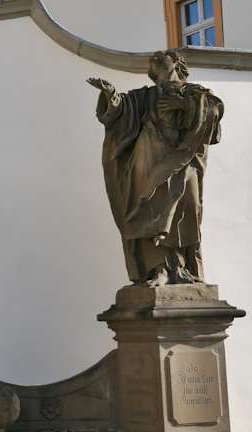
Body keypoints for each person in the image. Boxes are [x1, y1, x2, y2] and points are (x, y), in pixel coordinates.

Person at [88, 51, 224, 286]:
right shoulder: (145, 95)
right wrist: (111, 96)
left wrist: (184, 104)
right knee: (150, 208)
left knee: (186, 207)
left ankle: (181, 268)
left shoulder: (195, 92)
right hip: (148, 156)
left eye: (162, 57)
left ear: (176, 62)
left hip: (183, 159)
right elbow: (121, 111)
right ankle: (158, 269)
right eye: (154, 60)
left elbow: (214, 114)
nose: (156, 60)